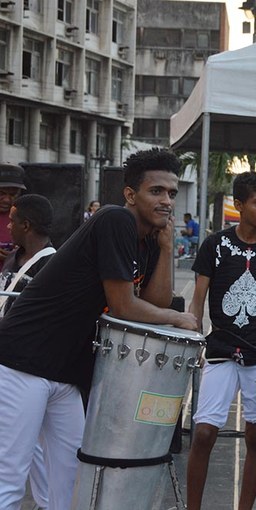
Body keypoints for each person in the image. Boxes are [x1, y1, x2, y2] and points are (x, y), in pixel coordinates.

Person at [0, 148, 197, 510]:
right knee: (8, 480)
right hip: (21, 362)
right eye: (156, 191)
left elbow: (157, 300)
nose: (167, 200)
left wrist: (166, 247)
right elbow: (125, 307)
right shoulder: (114, 221)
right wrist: (175, 318)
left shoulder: (148, 237)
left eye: (171, 192)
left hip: (65, 372)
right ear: (130, 194)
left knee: (74, 482)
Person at [186, 171, 256, 510]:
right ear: (239, 205)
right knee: (204, 432)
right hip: (221, 350)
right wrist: (195, 332)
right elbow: (198, 295)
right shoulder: (215, 245)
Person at [0, 194, 55, 509]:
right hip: (8, 361)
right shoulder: (13, 258)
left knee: (22, 453)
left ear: (26, 225)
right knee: (29, 446)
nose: (8, 225)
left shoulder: (52, 264)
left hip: (26, 367)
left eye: (12, 220)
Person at [0, 164, 26, 261]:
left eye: (13, 194)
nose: (7, 200)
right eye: (1, 193)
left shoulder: (25, 218)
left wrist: (17, 257)